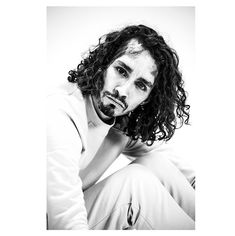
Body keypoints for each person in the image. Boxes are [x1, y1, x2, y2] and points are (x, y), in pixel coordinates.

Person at [47, 24, 195, 230]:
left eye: (141, 85)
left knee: (154, 162)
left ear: (146, 99)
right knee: (136, 183)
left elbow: (174, 166)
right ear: (103, 66)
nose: (123, 91)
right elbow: (64, 213)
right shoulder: (60, 112)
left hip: (76, 214)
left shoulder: (121, 123)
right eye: (121, 71)